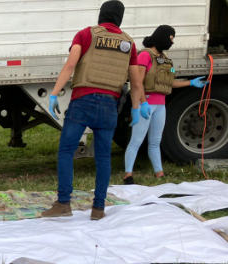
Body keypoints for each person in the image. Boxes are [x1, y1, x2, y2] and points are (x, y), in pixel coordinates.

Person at [42, 0, 146, 221]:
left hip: (83, 101)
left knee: (66, 151)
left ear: (101, 15)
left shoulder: (85, 34)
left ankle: (63, 203)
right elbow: (136, 83)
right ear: (120, 18)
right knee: (103, 157)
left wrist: (54, 94)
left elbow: (71, 65)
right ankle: (98, 209)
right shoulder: (129, 43)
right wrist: (136, 108)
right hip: (109, 105)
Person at [123, 25, 207, 184]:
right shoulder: (145, 56)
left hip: (160, 105)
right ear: (161, 37)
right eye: (170, 38)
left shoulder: (165, 59)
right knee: (136, 140)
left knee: (155, 141)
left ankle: (159, 173)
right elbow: (138, 83)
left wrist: (190, 83)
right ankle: (128, 174)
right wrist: (143, 102)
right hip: (146, 104)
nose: (172, 42)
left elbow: (168, 83)